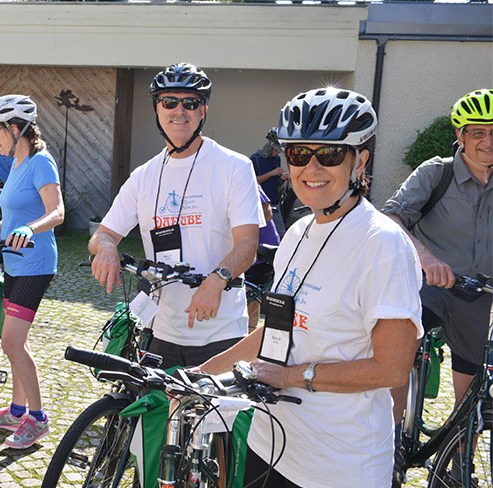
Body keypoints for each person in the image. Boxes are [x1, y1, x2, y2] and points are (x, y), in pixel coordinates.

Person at [196, 87, 423, 488]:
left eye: (330, 155)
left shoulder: (381, 244)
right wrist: (201, 374)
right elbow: (278, 330)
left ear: (360, 160)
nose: (312, 168)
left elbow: (392, 367)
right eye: (300, 154)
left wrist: (291, 376)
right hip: (270, 445)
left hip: (339, 464)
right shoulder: (299, 231)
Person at [89, 62, 263, 370]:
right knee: (154, 416)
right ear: (157, 109)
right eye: (169, 102)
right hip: (162, 330)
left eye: (190, 102)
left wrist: (217, 279)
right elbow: (104, 233)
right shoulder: (144, 176)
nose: (178, 111)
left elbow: (247, 244)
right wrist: (105, 248)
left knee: (209, 419)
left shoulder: (233, 167)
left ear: (203, 111)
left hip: (219, 331)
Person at [382, 89, 493, 439]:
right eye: (478, 132)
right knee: (399, 357)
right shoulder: (437, 172)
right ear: (459, 136)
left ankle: (460, 465)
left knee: (472, 392)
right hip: (429, 288)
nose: (488, 141)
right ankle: (389, 445)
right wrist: (427, 259)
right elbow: (391, 219)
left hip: (480, 296)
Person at [0, 94, 64, 449]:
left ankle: (38, 419)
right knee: (14, 343)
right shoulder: (16, 162)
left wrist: (30, 228)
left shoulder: (41, 162)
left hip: (35, 263)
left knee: (11, 341)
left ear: (15, 128)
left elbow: (56, 212)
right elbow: (13, 212)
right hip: (12, 261)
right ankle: (16, 410)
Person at [246, 185, 280, 332]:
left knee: (249, 297)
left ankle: (246, 336)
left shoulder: (248, 180)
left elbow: (267, 213)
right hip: (252, 247)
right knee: (251, 296)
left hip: (260, 248)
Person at [251, 128, 288, 237]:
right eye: (276, 150)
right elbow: (253, 182)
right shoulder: (255, 159)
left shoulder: (277, 160)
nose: (277, 153)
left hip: (274, 202)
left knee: (281, 234)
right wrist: (271, 173)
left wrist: (282, 179)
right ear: (270, 145)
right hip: (260, 204)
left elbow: (276, 184)